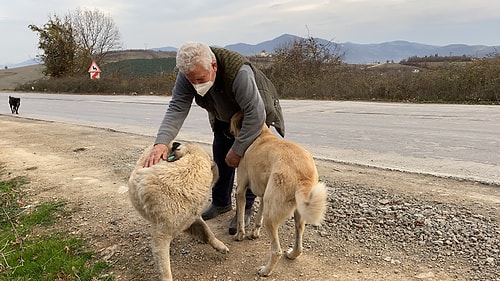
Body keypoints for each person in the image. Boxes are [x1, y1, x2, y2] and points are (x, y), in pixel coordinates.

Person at [144, 42, 285, 235]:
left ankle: (246, 207)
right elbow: (177, 107)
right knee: (221, 157)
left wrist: (238, 149)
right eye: (191, 80)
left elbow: (255, 114)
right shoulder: (189, 73)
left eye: (200, 79)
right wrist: (161, 142)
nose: (196, 85)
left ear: (214, 66)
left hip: (253, 114)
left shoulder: (239, 73)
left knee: (251, 162)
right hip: (223, 114)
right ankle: (221, 203)